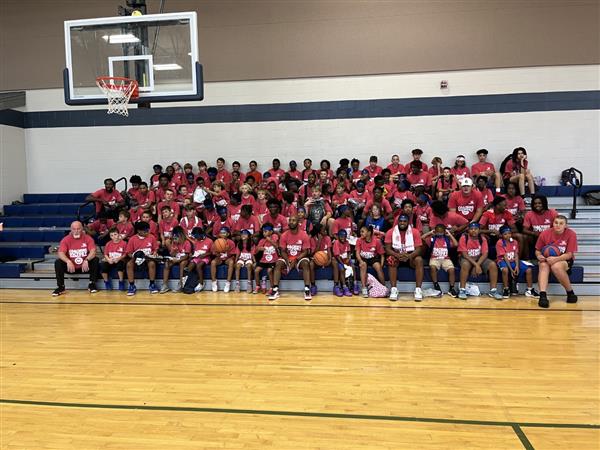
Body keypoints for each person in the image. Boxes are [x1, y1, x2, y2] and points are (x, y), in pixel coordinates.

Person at [535, 216, 578, 308]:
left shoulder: (571, 234)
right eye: (556, 222)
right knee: (543, 265)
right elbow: (537, 250)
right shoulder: (545, 233)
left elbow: (569, 254)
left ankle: (570, 292)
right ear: (552, 223)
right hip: (547, 259)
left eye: (561, 223)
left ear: (565, 225)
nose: (558, 225)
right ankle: (542, 296)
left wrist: (556, 259)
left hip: (564, 259)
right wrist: (539, 256)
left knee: (556, 266)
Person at [269, 215, 312, 301]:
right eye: (290, 220)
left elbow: (306, 252)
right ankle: (275, 289)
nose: (291, 222)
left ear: (298, 223)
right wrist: (287, 260)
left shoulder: (304, 235)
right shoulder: (284, 235)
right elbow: (282, 251)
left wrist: (296, 259)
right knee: (278, 264)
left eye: (293, 220)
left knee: (306, 263)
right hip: (287, 257)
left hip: (299, 257)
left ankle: (307, 289)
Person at [52, 221, 99, 296]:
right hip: (71, 268)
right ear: (71, 229)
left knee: (95, 259)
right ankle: (61, 287)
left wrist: (86, 260)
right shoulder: (66, 239)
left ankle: (92, 284)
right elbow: (60, 253)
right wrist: (68, 261)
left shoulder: (88, 238)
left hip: (84, 268)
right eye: (74, 229)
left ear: (82, 229)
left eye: (78, 229)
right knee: (58, 262)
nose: (76, 231)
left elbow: (93, 251)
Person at [384, 214, 425, 301]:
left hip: (410, 257)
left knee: (419, 260)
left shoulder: (415, 232)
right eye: (400, 221)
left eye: (404, 221)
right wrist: (397, 255)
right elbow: (387, 249)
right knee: (391, 259)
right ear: (397, 222)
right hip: (397, 255)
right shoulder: (390, 232)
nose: (402, 223)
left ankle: (418, 290)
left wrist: (409, 256)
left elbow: (418, 249)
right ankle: (394, 289)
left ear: (408, 222)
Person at [457, 223, 503, 300]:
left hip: (479, 259)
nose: (473, 231)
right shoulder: (464, 238)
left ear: (479, 230)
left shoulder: (482, 239)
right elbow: (464, 254)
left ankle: (493, 291)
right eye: (471, 229)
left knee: (492, 265)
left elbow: (485, 254)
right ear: (468, 230)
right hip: (467, 258)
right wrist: (476, 265)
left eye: (475, 229)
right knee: (465, 264)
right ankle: (462, 290)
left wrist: (477, 265)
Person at [495, 225, 538, 298]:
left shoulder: (514, 241)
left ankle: (529, 290)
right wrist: (511, 270)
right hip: (503, 261)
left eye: (509, 233)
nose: (508, 235)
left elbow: (516, 254)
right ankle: (506, 289)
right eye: (505, 234)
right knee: (505, 270)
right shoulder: (500, 243)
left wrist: (517, 266)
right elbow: (505, 257)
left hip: (513, 261)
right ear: (501, 235)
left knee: (529, 270)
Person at [422, 224, 458, 297]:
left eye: (441, 232)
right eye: (438, 232)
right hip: (434, 258)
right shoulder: (432, 239)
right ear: (435, 231)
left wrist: (450, 234)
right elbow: (421, 238)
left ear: (444, 232)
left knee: (452, 269)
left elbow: (456, 244)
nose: (439, 233)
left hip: (445, 259)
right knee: (432, 267)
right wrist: (430, 233)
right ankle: (436, 285)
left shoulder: (447, 239)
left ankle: (451, 288)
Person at [125, 221, 160, 296]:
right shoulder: (132, 239)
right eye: (145, 231)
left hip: (148, 257)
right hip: (137, 258)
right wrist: (136, 257)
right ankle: (132, 286)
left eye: (148, 230)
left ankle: (152, 284)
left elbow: (155, 249)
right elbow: (129, 253)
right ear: (139, 231)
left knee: (152, 264)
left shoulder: (151, 237)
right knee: (129, 264)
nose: (147, 232)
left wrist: (154, 253)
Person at [356, 225, 386, 298]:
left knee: (378, 267)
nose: (361, 233)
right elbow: (357, 253)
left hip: (373, 258)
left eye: (363, 231)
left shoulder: (377, 241)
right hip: (363, 257)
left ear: (369, 233)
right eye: (360, 232)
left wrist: (381, 265)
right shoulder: (359, 240)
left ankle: (384, 288)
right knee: (363, 265)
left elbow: (382, 255)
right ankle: (364, 288)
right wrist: (360, 261)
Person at [159, 226, 191, 293]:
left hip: (184, 258)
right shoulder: (174, 242)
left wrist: (177, 260)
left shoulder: (187, 243)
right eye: (174, 236)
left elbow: (186, 256)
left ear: (182, 235)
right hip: (176, 257)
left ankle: (181, 284)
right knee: (167, 263)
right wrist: (173, 252)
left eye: (177, 236)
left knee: (182, 264)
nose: (175, 238)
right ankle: (165, 285)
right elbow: (172, 255)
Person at [254, 223, 279, 295]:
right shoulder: (262, 240)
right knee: (256, 270)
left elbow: (276, 245)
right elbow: (256, 250)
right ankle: (258, 286)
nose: (264, 233)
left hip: (273, 259)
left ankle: (272, 287)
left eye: (266, 231)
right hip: (264, 259)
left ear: (271, 232)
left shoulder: (274, 236)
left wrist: (269, 239)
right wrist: (259, 249)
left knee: (269, 270)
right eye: (263, 232)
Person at [210, 226, 236, 292]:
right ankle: (213, 282)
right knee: (213, 262)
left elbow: (233, 254)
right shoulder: (217, 242)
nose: (222, 234)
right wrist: (217, 253)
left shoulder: (231, 242)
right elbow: (213, 252)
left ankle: (228, 283)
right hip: (219, 258)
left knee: (231, 262)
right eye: (221, 233)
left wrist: (227, 251)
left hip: (227, 258)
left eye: (224, 233)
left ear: (228, 234)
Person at [186, 227, 213, 292]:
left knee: (198, 266)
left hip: (206, 258)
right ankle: (187, 283)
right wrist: (192, 255)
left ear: (201, 234)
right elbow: (195, 251)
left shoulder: (209, 241)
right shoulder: (196, 241)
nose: (195, 238)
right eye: (194, 236)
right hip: (197, 257)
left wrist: (205, 255)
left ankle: (201, 283)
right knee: (189, 267)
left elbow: (212, 252)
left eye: (196, 236)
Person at [308, 225, 332, 296]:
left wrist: (330, 259)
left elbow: (329, 250)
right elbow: (313, 253)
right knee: (311, 264)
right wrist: (319, 241)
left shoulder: (327, 238)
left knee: (334, 262)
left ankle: (337, 285)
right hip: (316, 258)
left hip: (326, 257)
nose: (325, 231)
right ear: (318, 232)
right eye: (323, 230)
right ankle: (313, 285)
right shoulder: (312, 239)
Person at [332, 230, 355, 297]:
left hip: (345, 259)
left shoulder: (347, 242)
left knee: (353, 266)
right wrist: (343, 264)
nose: (343, 238)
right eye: (341, 236)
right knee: (342, 269)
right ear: (338, 236)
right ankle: (344, 287)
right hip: (339, 260)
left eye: (344, 236)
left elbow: (348, 253)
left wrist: (348, 259)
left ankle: (354, 284)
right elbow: (337, 256)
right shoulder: (336, 242)